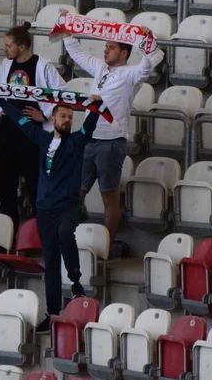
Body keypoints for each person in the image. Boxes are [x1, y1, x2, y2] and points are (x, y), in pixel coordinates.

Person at [0, 97, 101, 332]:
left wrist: (94, 107)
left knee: (66, 234)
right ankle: (53, 314)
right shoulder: (42, 139)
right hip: (44, 209)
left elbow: (88, 127)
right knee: (51, 263)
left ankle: (75, 282)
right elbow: (22, 122)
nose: (67, 121)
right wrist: (2, 102)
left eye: (70, 118)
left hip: (68, 206)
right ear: (52, 119)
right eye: (63, 117)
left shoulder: (76, 141)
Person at [63, 34, 163, 250]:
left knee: (108, 195)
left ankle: (105, 247)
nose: (105, 50)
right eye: (106, 46)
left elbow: (145, 67)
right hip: (87, 139)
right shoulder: (100, 67)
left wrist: (146, 41)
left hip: (111, 141)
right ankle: (71, 241)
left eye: (111, 47)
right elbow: (77, 54)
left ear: (124, 53)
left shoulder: (130, 73)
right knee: (75, 192)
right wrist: (67, 33)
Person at [0, 22, 66, 229]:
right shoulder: (6, 65)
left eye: (8, 46)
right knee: (5, 189)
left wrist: (46, 115)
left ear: (22, 46)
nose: (5, 49)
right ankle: (7, 237)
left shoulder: (42, 65)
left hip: (31, 136)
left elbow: (62, 94)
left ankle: (38, 237)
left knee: (35, 188)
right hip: (7, 133)